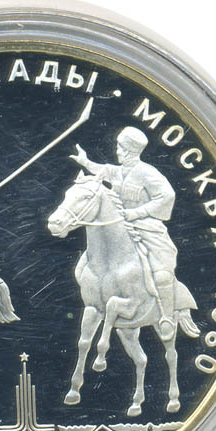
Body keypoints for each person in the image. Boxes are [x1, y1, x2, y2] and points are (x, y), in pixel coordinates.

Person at [70, 126, 178, 340]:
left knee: (162, 273)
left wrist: (137, 213)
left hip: (146, 227)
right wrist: (85, 162)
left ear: (129, 150)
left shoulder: (147, 172)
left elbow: (167, 196)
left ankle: (166, 318)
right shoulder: (118, 171)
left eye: (120, 147)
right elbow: (101, 170)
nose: (117, 150)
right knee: (85, 265)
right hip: (119, 226)